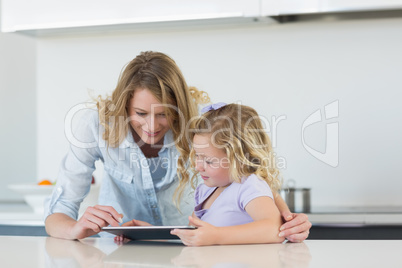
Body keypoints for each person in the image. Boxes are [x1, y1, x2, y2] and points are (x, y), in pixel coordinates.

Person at [44, 51, 311, 241]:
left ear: (178, 106)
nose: (151, 126)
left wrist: (286, 219)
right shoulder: (95, 125)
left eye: (163, 114)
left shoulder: (201, 126)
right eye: (140, 113)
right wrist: (72, 229)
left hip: (192, 250)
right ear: (123, 107)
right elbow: (61, 208)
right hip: (121, 252)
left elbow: (250, 178)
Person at [169, 103, 285, 246]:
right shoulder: (205, 190)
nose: (197, 166)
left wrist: (216, 236)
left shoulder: (248, 186)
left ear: (240, 160)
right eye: (197, 156)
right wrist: (150, 233)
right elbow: (193, 236)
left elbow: (274, 229)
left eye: (209, 161)